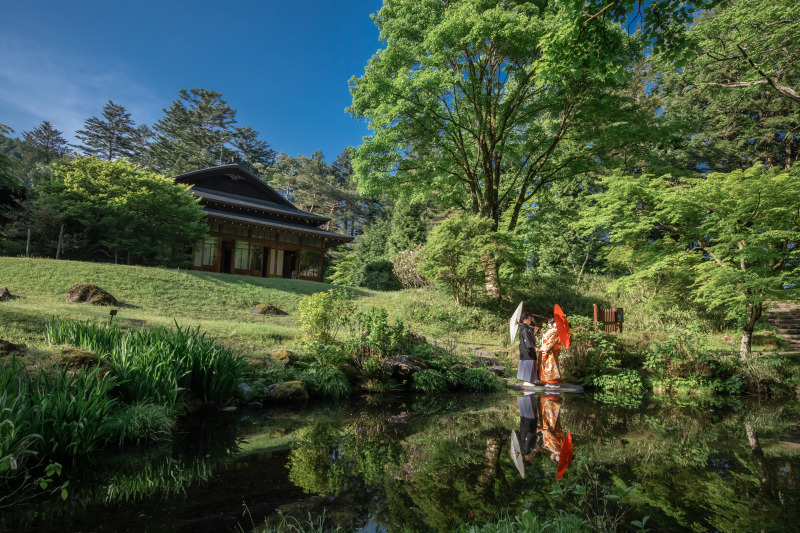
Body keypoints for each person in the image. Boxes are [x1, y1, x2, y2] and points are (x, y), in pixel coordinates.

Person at [538, 318, 562, 388]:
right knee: (550, 365)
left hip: (550, 351)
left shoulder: (554, 331)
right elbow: (546, 338)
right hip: (551, 350)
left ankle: (552, 381)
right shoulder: (553, 331)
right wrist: (543, 335)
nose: (548, 324)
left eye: (549, 323)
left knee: (550, 366)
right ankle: (551, 380)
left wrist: (544, 348)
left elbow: (551, 341)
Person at [517, 312, 538, 386]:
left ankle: (531, 380)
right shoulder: (524, 328)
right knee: (528, 364)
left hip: (529, 349)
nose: (530, 320)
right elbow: (527, 340)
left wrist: (534, 332)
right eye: (529, 319)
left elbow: (531, 337)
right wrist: (534, 347)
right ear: (525, 319)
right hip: (527, 349)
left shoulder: (527, 328)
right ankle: (527, 380)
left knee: (531, 363)